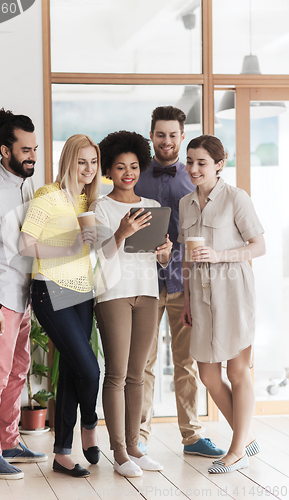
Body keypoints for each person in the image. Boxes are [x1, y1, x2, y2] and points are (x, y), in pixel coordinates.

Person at [134, 106, 225, 457]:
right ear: (151, 135)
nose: (167, 141)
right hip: (143, 280)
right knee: (143, 362)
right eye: (160, 134)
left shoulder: (196, 177)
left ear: (182, 137)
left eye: (173, 135)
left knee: (186, 362)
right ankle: (139, 436)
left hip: (184, 284)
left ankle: (191, 435)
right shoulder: (135, 176)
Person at [179, 134, 265, 473]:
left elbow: (259, 246)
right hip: (199, 298)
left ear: (219, 163)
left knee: (237, 370)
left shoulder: (236, 198)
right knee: (208, 375)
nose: (194, 168)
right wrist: (186, 298)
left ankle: (236, 450)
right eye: (190, 162)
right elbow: (187, 257)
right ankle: (245, 438)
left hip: (234, 293)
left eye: (201, 162)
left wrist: (219, 256)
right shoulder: (186, 204)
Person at [0, 108, 47, 480]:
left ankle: (9, 439)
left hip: (22, 293)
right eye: (25, 149)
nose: (32, 155)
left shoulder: (23, 183)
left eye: (34, 148)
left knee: (17, 371)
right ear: (5, 150)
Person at [90, 130, 172, 478]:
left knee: (138, 375)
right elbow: (98, 255)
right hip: (112, 294)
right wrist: (121, 233)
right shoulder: (101, 207)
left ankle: (136, 446)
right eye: (120, 166)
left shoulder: (152, 207)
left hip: (148, 293)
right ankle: (119, 452)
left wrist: (165, 253)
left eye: (134, 166)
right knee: (117, 374)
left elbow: (160, 258)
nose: (128, 172)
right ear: (108, 170)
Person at [20, 134, 101, 478]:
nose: (88, 169)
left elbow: (91, 249)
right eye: (81, 161)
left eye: (93, 162)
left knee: (71, 370)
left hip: (82, 292)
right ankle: (91, 426)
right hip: (50, 290)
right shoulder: (47, 195)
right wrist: (67, 250)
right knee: (90, 369)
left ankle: (62, 454)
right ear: (68, 160)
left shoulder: (85, 201)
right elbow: (26, 244)